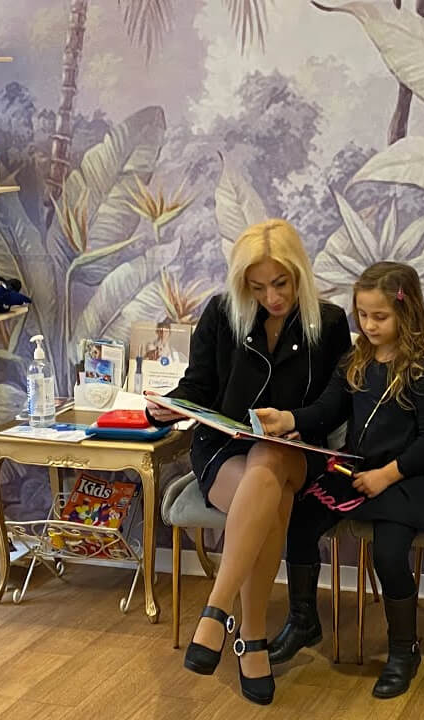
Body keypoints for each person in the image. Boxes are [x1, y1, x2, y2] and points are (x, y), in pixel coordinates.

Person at [147, 219, 350, 705]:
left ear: (299, 272)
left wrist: (294, 419)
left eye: (280, 283)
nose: (271, 297)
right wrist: (168, 406)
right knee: (269, 499)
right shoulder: (222, 314)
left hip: (296, 449)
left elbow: (339, 400)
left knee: (272, 455)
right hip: (223, 448)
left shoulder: (329, 321)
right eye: (257, 287)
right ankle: (251, 639)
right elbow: (198, 385)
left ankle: (216, 610)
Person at [256, 261, 424, 699]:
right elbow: (328, 409)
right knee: (300, 522)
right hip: (356, 469)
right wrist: (288, 418)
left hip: (406, 477)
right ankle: (304, 621)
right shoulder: (355, 360)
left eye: (380, 316)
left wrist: (386, 475)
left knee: (388, 554)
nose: (369, 325)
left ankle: (404, 650)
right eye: (363, 315)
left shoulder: (422, 371)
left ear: (405, 313)